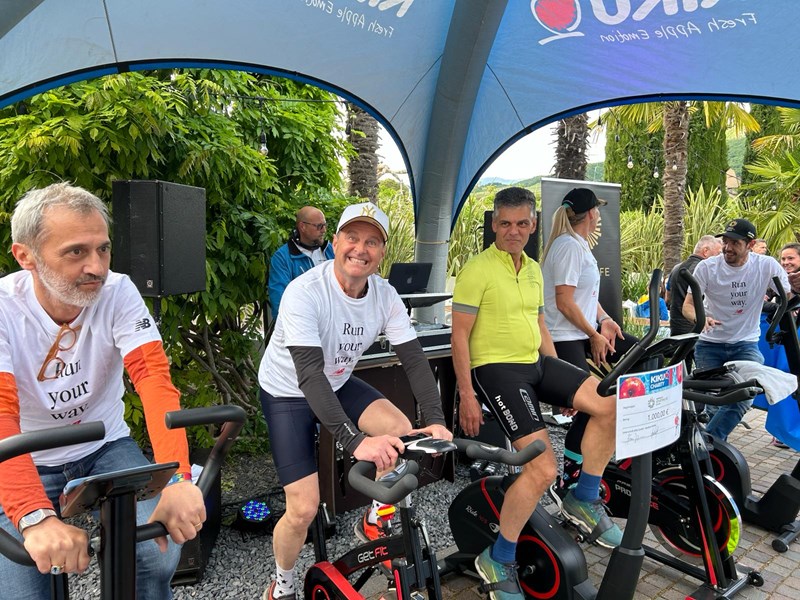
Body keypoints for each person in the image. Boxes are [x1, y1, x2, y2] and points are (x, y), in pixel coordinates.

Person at [0, 183, 206, 600]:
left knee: (158, 553)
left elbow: (152, 378)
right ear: (26, 257)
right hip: (23, 455)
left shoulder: (118, 290)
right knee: (26, 586)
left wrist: (181, 478)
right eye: (76, 251)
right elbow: (2, 411)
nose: (97, 266)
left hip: (103, 444)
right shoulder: (5, 308)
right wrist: (34, 515)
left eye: (103, 249)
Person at [258, 202, 452, 600]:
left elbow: (414, 360)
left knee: (403, 432)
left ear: (382, 252)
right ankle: (282, 585)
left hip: (338, 379)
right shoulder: (304, 292)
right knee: (303, 509)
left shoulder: (384, 294)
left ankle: (374, 519)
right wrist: (355, 441)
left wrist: (434, 418)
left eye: (371, 241)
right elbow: (309, 376)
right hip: (288, 391)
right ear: (335, 242)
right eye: (351, 237)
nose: (360, 249)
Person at [451, 187, 621, 600]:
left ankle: (582, 498)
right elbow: (460, 334)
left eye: (522, 223)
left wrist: (559, 377)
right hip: (496, 370)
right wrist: (467, 395)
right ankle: (499, 556)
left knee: (612, 406)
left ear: (532, 225)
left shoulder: (531, 268)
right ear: (494, 224)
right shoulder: (477, 269)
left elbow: (541, 324)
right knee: (541, 468)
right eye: (505, 223)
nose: (513, 231)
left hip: (535, 364)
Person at [540, 187, 637, 500]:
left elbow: (586, 299)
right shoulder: (567, 246)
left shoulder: (579, 244)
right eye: (598, 210)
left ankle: (618, 446)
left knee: (638, 353)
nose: (599, 215)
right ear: (592, 213)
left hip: (580, 334)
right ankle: (570, 480)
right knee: (589, 409)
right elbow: (565, 302)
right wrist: (594, 335)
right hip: (566, 337)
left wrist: (605, 321)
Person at [683, 218, 789, 441]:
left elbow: (786, 294)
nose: (727, 248)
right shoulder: (707, 267)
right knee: (714, 403)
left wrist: (790, 301)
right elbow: (688, 305)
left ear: (750, 245)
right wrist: (700, 319)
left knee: (744, 395)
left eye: (735, 243)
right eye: (726, 241)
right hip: (710, 344)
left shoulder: (766, 265)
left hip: (746, 343)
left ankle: (708, 445)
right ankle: (711, 456)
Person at [665, 235, 723, 371]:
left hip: (677, 324)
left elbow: (667, 296)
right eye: (717, 253)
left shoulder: (677, 268)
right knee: (704, 371)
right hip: (695, 325)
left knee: (683, 367)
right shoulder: (700, 269)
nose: (719, 258)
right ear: (706, 251)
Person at [268, 206, 335, 318]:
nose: (324, 230)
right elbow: (279, 302)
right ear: (302, 227)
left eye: (324, 225)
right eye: (319, 226)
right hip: (301, 324)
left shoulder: (331, 251)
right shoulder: (283, 258)